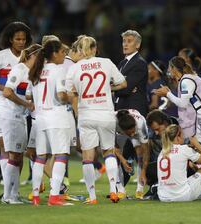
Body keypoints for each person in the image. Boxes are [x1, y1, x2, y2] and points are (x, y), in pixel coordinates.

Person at [66, 35, 127, 204]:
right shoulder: (106, 62)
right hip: (106, 113)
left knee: (87, 157)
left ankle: (92, 197)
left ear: (80, 50)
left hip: (86, 115)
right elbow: (123, 84)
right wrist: (109, 88)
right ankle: (114, 191)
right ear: (94, 48)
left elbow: (69, 93)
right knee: (108, 151)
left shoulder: (74, 68)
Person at [0, 21, 32, 197]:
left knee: (17, 150)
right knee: (5, 147)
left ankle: (12, 190)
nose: (21, 42)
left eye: (24, 39)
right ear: (10, 39)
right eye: (17, 39)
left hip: (21, 107)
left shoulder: (28, 58)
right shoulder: (0, 56)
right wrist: (2, 88)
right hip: (2, 106)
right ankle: (8, 189)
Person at [28, 39, 73, 206]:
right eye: (62, 52)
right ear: (54, 54)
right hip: (56, 118)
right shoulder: (58, 70)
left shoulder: (37, 71)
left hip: (40, 119)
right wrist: (73, 96)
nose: (64, 55)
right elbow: (61, 96)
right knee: (61, 155)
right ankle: (54, 197)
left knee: (40, 158)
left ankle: (36, 197)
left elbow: (29, 96)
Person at [156, 56, 201, 160]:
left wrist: (168, 94)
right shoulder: (185, 80)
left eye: (170, 68)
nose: (168, 71)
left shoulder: (186, 81)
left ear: (174, 68)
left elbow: (183, 104)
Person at [0, 44, 39, 204]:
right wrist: (26, 104)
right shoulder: (19, 69)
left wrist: (34, 100)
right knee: (14, 156)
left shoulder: (28, 73)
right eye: (40, 57)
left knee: (16, 157)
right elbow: (7, 92)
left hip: (20, 118)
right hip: (12, 116)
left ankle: (14, 194)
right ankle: (7, 196)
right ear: (32, 56)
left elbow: (25, 94)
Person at [157, 124, 201, 202]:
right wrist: (197, 145)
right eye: (182, 134)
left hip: (163, 196)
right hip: (182, 196)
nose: (183, 136)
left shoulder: (162, 152)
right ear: (177, 137)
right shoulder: (184, 149)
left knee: (191, 166)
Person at [115, 109, 150, 199]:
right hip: (115, 130)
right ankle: (120, 190)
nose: (133, 133)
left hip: (137, 123)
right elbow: (112, 147)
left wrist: (143, 171)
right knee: (112, 158)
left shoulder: (141, 125)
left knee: (140, 155)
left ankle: (140, 189)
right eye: (129, 132)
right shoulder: (112, 123)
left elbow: (146, 151)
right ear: (122, 130)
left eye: (133, 130)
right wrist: (123, 160)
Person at [114, 30, 148, 117]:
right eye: (124, 41)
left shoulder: (139, 63)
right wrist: (119, 86)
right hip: (122, 109)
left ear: (137, 45)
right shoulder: (122, 63)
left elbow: (125, 89)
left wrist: (112, 89)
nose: (125, 44)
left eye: (129, 41)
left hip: (134, 111)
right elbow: (119, 85)